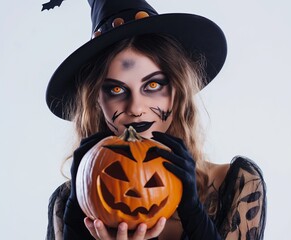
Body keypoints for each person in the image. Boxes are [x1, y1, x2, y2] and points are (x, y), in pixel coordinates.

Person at [43, 0, 266, 239]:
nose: (136, 108)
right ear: (96, 100)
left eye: (152, 85)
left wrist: (194, 215)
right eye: (116, 90)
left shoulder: (236, 186)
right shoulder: (67, 203)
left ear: (177, 92)